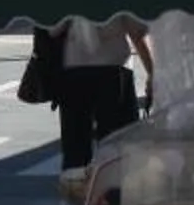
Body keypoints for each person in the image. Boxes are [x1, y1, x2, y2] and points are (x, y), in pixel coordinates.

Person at [48, 17, 153, 172]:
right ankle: (113, 191)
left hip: (74, 71)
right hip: (113, 71)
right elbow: (136, 34)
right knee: (117, 143)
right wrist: (152, 72)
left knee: (75, 148)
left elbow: (52, 30)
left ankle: (77, 188)